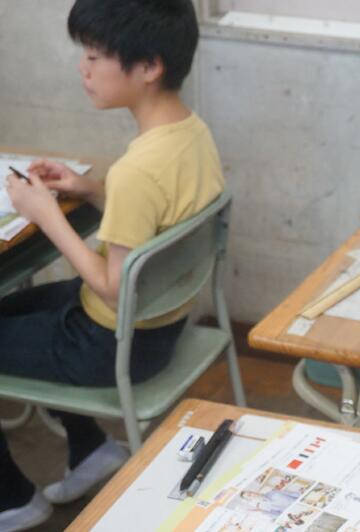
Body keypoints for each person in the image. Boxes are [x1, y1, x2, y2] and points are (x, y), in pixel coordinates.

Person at [0, 1, 223, 529]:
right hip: (157, 326)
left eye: (96, 56)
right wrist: (87, 189)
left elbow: (113, 289)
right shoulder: (191, 134)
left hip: (110, 342)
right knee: (17, 309)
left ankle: (14, 499)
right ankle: (91, 451)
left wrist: (47, 215)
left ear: (148, 67)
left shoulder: (137, 170)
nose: (83, 68)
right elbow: (153, 221)